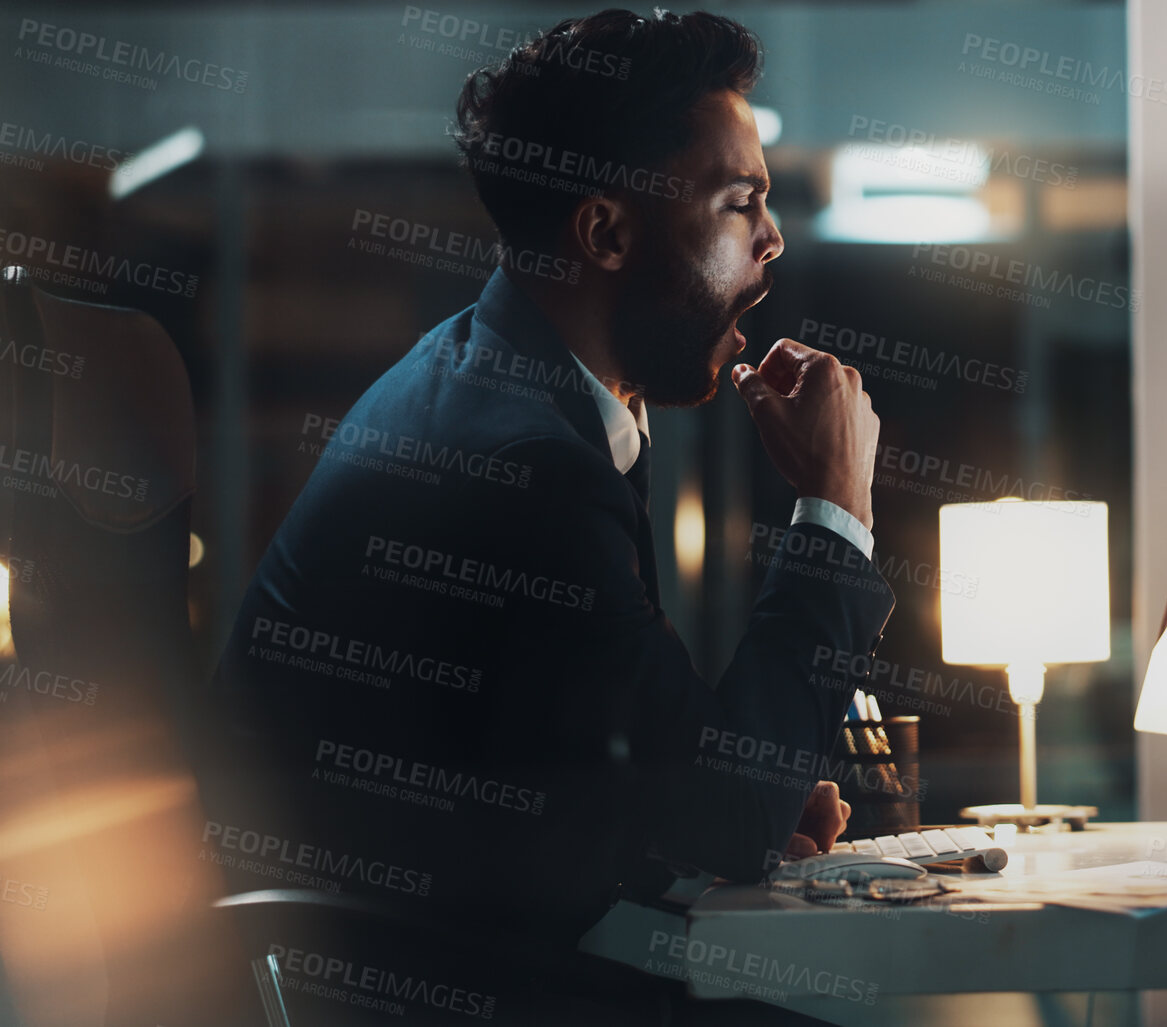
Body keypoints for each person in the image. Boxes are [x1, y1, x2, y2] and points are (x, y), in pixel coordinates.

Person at [206, 8, 893, 951]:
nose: (771, 239)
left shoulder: (505, 387)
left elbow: (599, 768)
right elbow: (723, 809)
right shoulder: (521, 465)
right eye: (738, 203)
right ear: (607, 232)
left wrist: (728, 807)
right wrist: (836, 511)